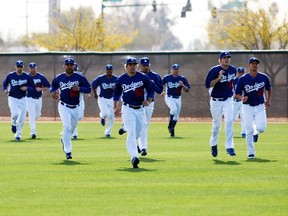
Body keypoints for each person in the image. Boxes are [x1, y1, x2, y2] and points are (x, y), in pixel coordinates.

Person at [113, 57, 154, 169]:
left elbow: (151, 90)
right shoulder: (121, 79)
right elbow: (116, 93)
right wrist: (115, 106)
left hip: (140, 109)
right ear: (126, 67)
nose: (132, 66)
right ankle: (134, 157)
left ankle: (125, 128)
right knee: (132, 134)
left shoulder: (143, 77)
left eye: (134, 64)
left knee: (138, 132)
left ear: (137, 66)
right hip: (127, 109)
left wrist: (149, 101)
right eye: (130, 64)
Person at [50, 58, 91, 160]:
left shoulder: (79, 77)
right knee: (67, 126)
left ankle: (64, 139)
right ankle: (68, 151)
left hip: (76, 107)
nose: (69, 66)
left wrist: (80, 89)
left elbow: (88, 88)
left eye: (71, 65)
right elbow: (53, 86)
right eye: (67, 64)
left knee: (71, 129)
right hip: (64, 105)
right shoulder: (59, 78)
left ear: (74, 66)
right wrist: (52, 92)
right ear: (64, 66)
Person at [235, 57, 272, 159]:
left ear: (258, 65)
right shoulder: (243, 79)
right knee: (248, 130)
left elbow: (269, 89)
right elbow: (236, 95)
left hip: (260, 106)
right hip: (247, 107)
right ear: (249, 65)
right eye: (252, 63)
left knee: (261, 128)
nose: (254, 65)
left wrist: (268, 100)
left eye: (256, 63)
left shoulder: (264, 77)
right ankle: (250, 152)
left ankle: (257, 132)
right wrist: (242, 97)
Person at [205, 51, 237, 157]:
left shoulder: (233, 70)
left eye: (228, 57)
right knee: (217, 125)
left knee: (229, 121)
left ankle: (230, 146)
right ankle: (213, 144)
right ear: (220, 59)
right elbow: (207, 84)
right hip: (216, 101)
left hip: (228, 99)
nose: (227, 59)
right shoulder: (214, 70)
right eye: (224, 57)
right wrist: (218, 78)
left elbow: (232, 83)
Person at [135, 57, 163, 156]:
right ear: (140, 66)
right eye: (144, 65)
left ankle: (140, 144)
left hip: (149, 103)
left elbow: (160, 91)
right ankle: (143, 147)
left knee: (144, 125)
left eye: (147, 65)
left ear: (149, 65)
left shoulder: (155, 76)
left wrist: (152, 84)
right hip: (138, 103)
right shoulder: (136, 75)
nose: (145, 67)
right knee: (142, 125)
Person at [3, 60, 35, 141]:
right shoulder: (11, 75)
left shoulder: (27, 76)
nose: (19, 68)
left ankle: (18, 134)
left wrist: (27, 88)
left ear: (23, 67)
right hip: (12, 97)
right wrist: (5, 89)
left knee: (22, 117)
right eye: (18, 66)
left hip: (23, 98)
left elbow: (33, 87)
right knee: (15, 114)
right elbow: (4, 83)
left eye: (21, 66)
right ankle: (13, 123)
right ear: (15, 67)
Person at [161, 63, 190, 137]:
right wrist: (162, 91)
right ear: (172, 70)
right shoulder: (167, 77)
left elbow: (187, 89)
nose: (176, 70)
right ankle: (170, 125)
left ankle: (172, 129)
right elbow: (160, 84)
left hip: (178, 98)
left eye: (177, 69)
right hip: (169, 97)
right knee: (173, 109)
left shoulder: (182, 78)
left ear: (179, 70)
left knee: (176, 116)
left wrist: (182, 85)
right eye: (174, 69)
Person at [91, 64, 117, 137]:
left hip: (111, 98)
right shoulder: (100, 78)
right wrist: (95, 94)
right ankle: (102, 117)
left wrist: (115, 90)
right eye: (108, 70)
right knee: (105, 113)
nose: (109, 71)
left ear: (112, 70)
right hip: (102, 98)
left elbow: (119, 88)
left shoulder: (116, 78)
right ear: (106, 70)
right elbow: (93, 85)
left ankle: (107, 133)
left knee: (111, 116)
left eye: (110, 70)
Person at [26, 62, 51, 139]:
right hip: (29, 98)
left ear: (36, 68)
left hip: (39, 98)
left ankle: (34, 119)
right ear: (29, 69)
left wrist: (41, 89)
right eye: (31, 68)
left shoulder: (40, 77)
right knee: (32, 115)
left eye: (34, 68)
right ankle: (33, 132)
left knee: (36, 115)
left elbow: (48, 86)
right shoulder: (26, 77)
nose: (33, 69)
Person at [71, 62, 88, 139]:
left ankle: (69, 128)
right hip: (70, 98)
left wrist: (84, 91)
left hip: (79, 98)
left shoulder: (80, 75)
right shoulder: (65, 76)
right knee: (73, 117)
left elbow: (86, 86)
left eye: (73, 65)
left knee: (80, 116)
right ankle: (74, 133)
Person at [232, 67, 246, 138]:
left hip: (243, 102)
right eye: (240, 72)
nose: (241, 74)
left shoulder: (246, 80)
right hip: (235, 101)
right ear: (237, 73)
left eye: (242, 72)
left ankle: (244, 132)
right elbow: (231, 90)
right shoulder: (234, 80)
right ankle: (230, 132)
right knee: (233, 118)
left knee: (244, 117)